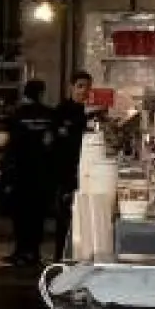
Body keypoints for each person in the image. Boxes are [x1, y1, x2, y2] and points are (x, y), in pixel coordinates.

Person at [3, 79, 61, 266]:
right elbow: (54, 144)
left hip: (20, 173)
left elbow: (8, 145)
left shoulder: (16, 115)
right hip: (43, 174)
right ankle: (34, 253)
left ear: (25, 93)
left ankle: (20, 252)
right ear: (41, 93)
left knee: (20, 215)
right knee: (37, 215)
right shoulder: (50, 115)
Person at [54, 71, 93, 259]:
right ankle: (60, 258)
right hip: (64, 172)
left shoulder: (87, 113)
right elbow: (58, 142)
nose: (84, 91)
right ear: (71, 87)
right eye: (80, 86)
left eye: (87, 87)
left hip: (84, 171)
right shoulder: (61, 111)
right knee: (64, 218)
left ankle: (74, 256)